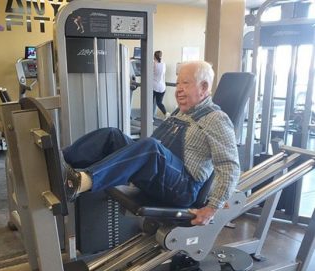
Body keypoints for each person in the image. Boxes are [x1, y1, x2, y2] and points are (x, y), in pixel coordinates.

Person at [64, 60, 240, 226]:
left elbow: (230, 167)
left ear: (204, 87)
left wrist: (212, 208)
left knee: (151, 147)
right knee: (113, 135)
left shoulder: (216, 119)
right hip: (161, 178)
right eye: (178, 84)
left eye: (185, 83)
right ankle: (61, 162)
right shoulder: (181, 112)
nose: (178, 89)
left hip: (183, 189)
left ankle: (79, 183)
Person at [153, 50, 167, 118]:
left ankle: (150, 118)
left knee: (150, 103)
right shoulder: (163, 64)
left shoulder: (153, 64)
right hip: (162, 87)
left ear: (154, 56)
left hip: (154, 86)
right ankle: (166, 115)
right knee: (159, 103)